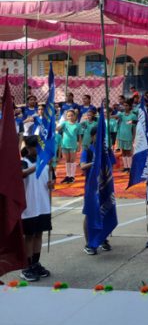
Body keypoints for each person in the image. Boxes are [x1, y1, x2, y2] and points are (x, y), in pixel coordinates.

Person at [19, 136, 53, 282]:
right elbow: (21, 174)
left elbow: (51, 181)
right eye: (35, 147)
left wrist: (52, 183)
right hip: (29, 207)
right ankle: (26, 267)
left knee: (39, 234)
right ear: (28, 148)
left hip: (43, 205)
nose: (38, 150)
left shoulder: (46, 163)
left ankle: (35, 263)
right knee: (29, 236)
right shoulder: (23, 162)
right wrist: (38, 165)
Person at [79, 127, 112, 255]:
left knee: (104, 211)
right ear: (92, 137)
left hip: (104, 186)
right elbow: (82, 166)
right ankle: (89, 243)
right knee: (90, 214)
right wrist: (95, 163)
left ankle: (102, 238)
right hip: (91, 187)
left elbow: (111, 165)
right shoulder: (87, 151)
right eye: (98, 136)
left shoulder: (106, 150)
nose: (100, 139)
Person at [113, 101, 137, 173]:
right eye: (124, 105)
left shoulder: (133, 116)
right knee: (123, 152)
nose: (125, 107)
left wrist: (133, 137)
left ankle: (129, 167)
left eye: (127, 105)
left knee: (128, 152)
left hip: (128, 136)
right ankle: (125, 167)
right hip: (121, 136)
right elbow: (115, 117)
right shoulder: (121, 114)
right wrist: (107, 114)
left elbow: (134, 128)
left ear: (130, 106)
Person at [58, 109, 80, 184]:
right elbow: (58, 128)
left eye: (71, 115)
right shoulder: (64, 123)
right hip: (64, 144)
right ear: (66, 117)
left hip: (73, 144)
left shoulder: (77, 125)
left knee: (72, 160)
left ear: (75, 116)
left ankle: (72, 176)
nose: (70, 117)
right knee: (67, 160)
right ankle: (68, 176)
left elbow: (79, 136)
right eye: (68, 116)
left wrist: (79, 145)